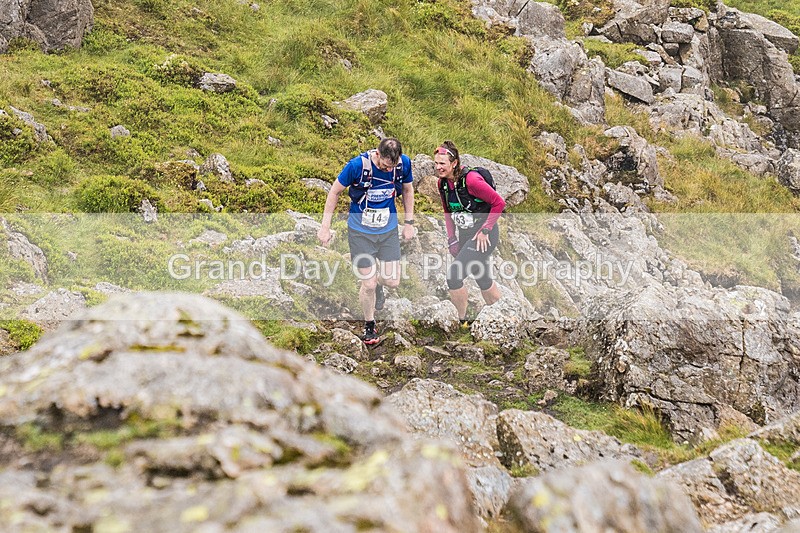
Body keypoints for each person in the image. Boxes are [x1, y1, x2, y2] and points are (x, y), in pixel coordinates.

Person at [318, 137, 415, 345]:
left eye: (392, 168)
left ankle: (378, 286)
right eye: (384, 166)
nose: (389, 171)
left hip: (387, 229)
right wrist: (325, 227)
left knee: (392, 281)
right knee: (368, 283)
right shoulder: (356, 166)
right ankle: (369, 326)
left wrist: (409, 223)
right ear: (377, 155)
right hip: (360, 231)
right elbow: (334, 192)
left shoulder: (403, 164)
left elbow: (407, 189)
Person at [434, 140, 505, 327]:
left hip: (484, 235)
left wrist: (486, 230)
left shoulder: (471, 181)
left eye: (442, 164)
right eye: (436, 163)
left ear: (454, 163)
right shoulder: (442, 184)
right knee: (482, 277)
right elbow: (448, 213)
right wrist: (452, 240)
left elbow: (499, 203)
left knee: (453, 276)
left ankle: (462, 321)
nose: (438, 167)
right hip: (465, 235)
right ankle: (504, 316)